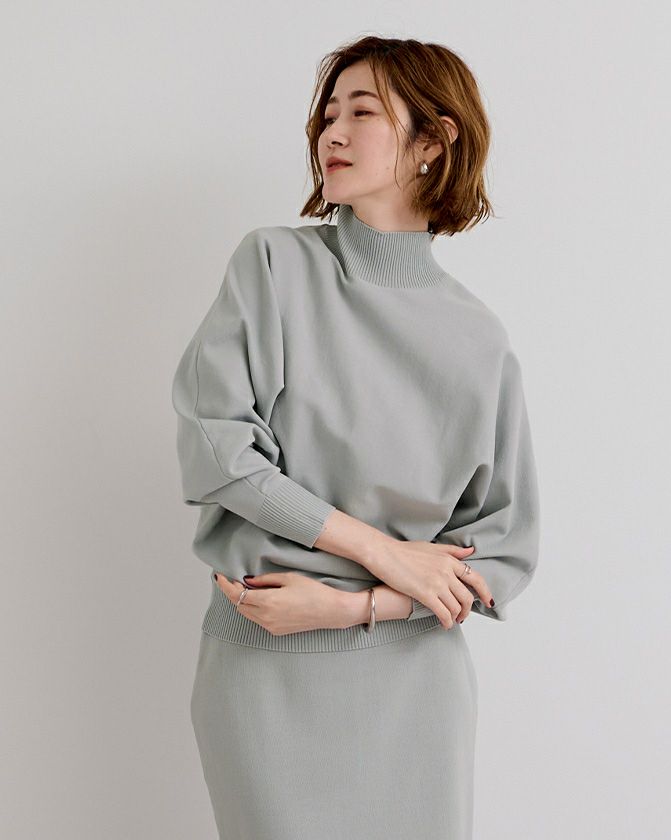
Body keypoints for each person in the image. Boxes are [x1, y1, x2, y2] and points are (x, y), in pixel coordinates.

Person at [171, 35, 540, 840]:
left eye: (361, 112)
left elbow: (501, 550)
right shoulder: (273, 265)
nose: (330, 133)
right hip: (265, 672)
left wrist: (356, 606)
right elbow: (220, 449)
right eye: (327, 115)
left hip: (415, 690)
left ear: (433, 141)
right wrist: (384, 551)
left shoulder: (478, 338)